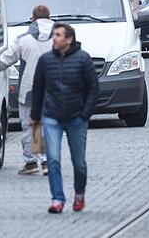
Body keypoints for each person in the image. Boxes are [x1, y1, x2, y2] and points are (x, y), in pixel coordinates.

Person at [31, 23, 99, 214]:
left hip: (76, 117)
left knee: (79, 162)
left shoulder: (83, 59)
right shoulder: (45, 60)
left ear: (69, 39)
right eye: (54, 35)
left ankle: (79, 193)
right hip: (52, 116)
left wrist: (85, 114)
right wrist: (36, 117)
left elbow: (94, 88)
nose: (54, 38)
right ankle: (57, 199)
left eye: (58, 35)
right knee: (53, 159)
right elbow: (38, 90)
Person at [0, 6, 53, 175]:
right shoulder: (60, 38)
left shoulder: (24, 39)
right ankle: (47, 160)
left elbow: (6, 60)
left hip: (30, 90)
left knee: (31, 125)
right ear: (50, 17)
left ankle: (32, 162)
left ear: (32, 18)